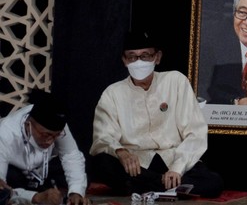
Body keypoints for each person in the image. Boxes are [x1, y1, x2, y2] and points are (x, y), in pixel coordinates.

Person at [89, 30, 224, 198]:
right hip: (137, 164)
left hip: (171, 159)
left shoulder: (175, 81)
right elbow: (102, 137)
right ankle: (168, 187)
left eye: (145, 56)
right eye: (132, 57)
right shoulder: (113, 93)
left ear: (157, 57)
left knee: (213, 181)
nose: (138, 62)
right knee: (100, 163)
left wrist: (177, 168)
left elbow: (195, 132)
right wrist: (121, 152)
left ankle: (146, 187)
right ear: (124, 60)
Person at [0, 90, 90, 205]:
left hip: (41, 171)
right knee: (3, 191)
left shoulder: (57, 127)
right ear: (29, 125)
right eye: (45, 135)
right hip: (14, 173)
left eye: (56, 136)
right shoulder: (5, 132)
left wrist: (76, 192)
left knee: (82, 169)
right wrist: (35, 197)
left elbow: (71, 155)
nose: (50, 141)